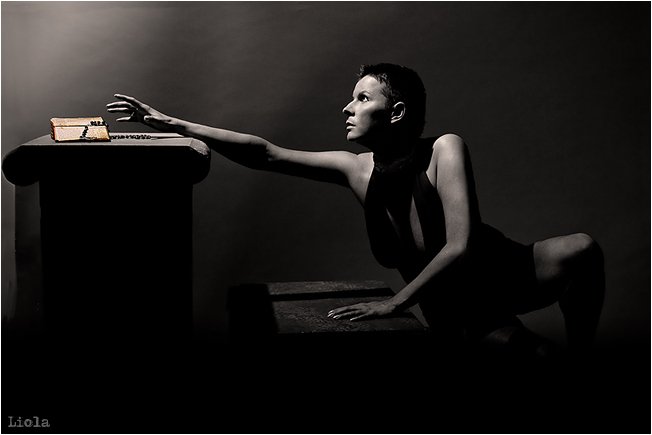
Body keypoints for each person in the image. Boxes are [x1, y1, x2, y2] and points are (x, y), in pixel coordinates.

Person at [107, 63, 604, 359]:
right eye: (351, 99)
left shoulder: (444, 148)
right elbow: (266, 153)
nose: (347, 108)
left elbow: (460, 245)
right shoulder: (355, 169)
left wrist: (395, 304)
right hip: (462, 309)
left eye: (362, 98)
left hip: (503, 272)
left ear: (397, 111)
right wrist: (173, 123)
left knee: (582, 249)